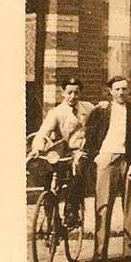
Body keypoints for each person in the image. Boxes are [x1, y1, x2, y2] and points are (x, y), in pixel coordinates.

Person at [84, 76, 131, 262]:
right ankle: (99, 253)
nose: (121, 93)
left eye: (125, 89)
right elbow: (89, 136)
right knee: (103, 206)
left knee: (130, 207)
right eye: (117, 89)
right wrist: (96, 157)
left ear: (129, 91)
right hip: (106, 160)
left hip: (127, 162)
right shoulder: (101, 111)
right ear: (110, 92)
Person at [28, 77, 96, 223]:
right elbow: (43, 132)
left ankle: (72, 210)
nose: (73, 97)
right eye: (69, 92)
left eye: (76, 93)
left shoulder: (88, 108)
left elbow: (100, 117)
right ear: (63, 93)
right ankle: (52, 221)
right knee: (49, 181)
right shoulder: (56, 113)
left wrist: (104, 106)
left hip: (80, 151)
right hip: (62, 153)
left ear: (80, 94)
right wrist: (37, 148)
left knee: (78, 172)